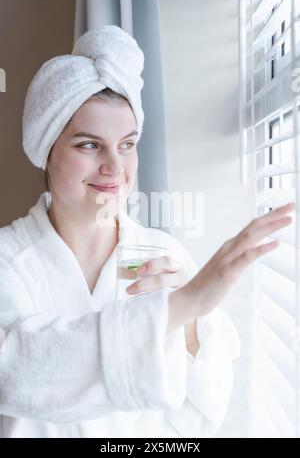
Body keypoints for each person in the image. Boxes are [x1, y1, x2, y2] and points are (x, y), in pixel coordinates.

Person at [0, 25, 294, 438]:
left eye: (127, 144)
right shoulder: (6, 262)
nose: (115, 168)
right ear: (46, 150)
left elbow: (197, 419)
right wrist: (183, 305)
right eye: (88, 144)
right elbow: (13, 371)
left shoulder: (163, 257)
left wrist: (191, 324)